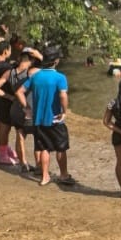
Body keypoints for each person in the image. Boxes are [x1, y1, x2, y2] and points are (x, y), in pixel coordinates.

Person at [25, 46, 72, 187]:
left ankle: (45, 176)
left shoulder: (35, 76)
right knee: (61, 147)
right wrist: (64, 111)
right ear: (56, 61)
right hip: (55, 119)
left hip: (39, 118)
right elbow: (63, 95)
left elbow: (20, 91)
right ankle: (63, 174)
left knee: (44, 147)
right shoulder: (60, 77)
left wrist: (27, 107)